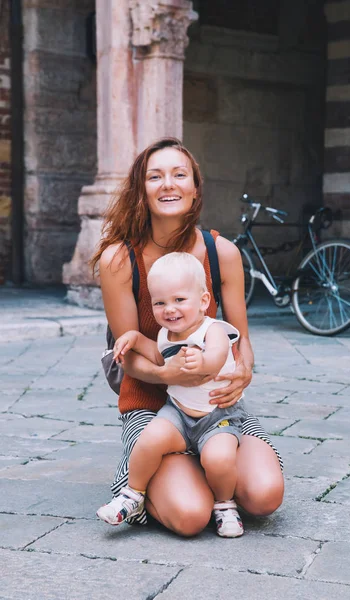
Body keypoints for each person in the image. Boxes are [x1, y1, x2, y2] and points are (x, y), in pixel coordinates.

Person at [90, 137, 284, 537]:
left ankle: (210, 470)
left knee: (264, 497)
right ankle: (146, 484)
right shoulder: (118, 259)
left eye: (180, 174)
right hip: (151, 402)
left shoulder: (221, 252)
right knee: (191, 517)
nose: (168, 184)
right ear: (139, 188)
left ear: (195, 186)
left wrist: (244, 371)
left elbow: (240, 339)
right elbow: (124, 352)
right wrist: (170, 375)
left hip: (217, 403)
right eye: (155, 176)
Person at [97, 252, 248, 537]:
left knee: (219, 459)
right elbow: (155, 352)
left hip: (218, 416)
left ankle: (224, 504)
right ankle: (133, 494)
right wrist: (132, 337)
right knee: (149, 440)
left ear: (203, 302)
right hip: (177, 412)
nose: (169, 309)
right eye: (160, 303)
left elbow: (218, 354)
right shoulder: (166, 335)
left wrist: (204, 363)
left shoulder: (212, 329)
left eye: (179, 300)